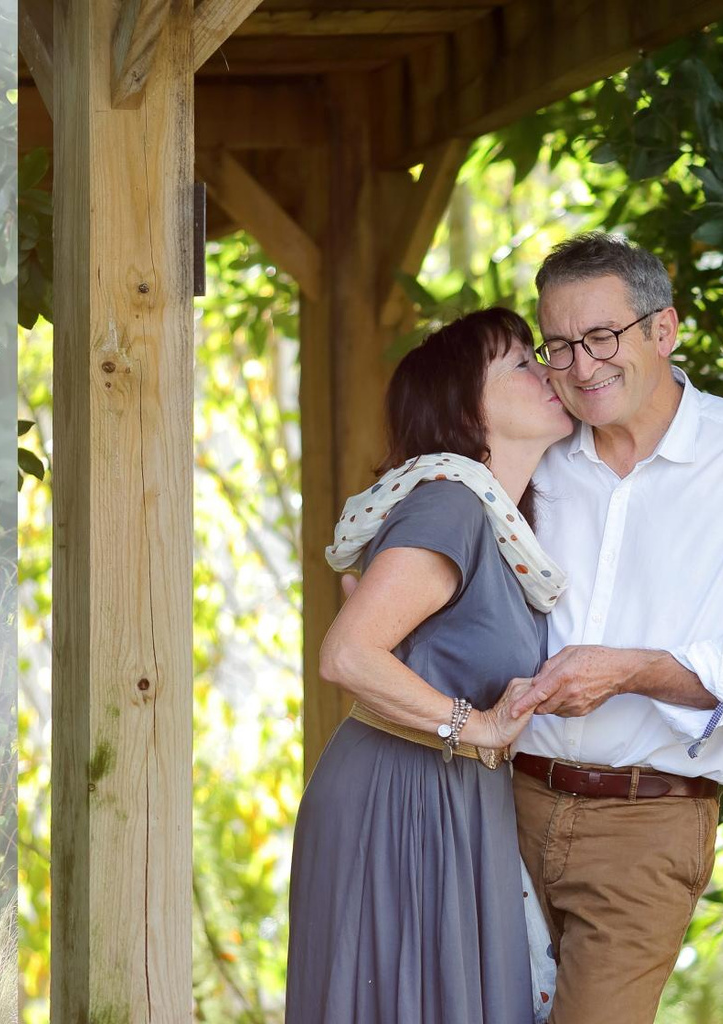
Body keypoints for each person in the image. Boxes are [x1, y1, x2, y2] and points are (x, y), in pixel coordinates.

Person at [500, 233, 723, 1023]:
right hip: (502, 805)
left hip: (647, 825)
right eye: (559, 345)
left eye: (602, 337)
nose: (581, 367)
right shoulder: (535, 451)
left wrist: (629, 671)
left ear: (663, 329)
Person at [286, 307, 572, 1023]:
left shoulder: (500, 526)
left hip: (453, 796)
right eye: (520, 363)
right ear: (467, 411)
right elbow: (347, 653)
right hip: (400, 797)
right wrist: (477, 727)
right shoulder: (451, 506)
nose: (546, 371)